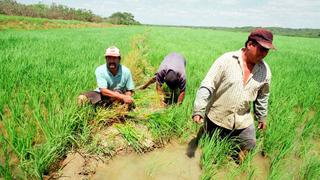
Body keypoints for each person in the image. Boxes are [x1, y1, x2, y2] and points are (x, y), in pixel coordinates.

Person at [192, 28, 275, 162]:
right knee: (211, 151)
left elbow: (263, 96)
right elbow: (208, 84)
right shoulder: (226, 60)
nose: (265, 54)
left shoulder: (265, 71)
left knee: (249, 143)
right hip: (217, 116)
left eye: (267, 50)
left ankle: (239, 169)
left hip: (243, 119)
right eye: (262, 49)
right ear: (250, 45)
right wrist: (199, 110)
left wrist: (262, 117)